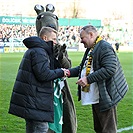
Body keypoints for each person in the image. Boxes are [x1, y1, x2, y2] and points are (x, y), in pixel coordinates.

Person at [66, 25, 128, 133]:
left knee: (108, 130)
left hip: (106, 96)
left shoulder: (104, 47)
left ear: (91, 35)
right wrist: (68, 72)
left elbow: (110, 69)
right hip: (97, 96)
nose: (81, 41)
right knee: (99, 128)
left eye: (82, 38)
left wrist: (88, 79)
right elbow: (83, 68)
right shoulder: (92, 48)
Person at [8, 27, 68, 133]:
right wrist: (61, 72)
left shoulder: (35, 50)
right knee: (41, 129)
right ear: (45, 38)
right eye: (53, 39)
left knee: (31, 129)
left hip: (31, 100)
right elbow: (43, 75)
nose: (56, 42)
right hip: (36, 101)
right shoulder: (39, 52)